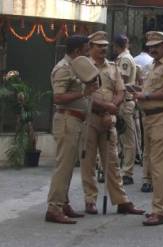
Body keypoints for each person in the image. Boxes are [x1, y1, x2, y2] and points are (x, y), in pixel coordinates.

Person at [80, 31, 145, 216]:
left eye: (105, 46)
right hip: (90, 118)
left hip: (109, 119)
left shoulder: (112, 67)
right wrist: (105, 107)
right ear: (90, 47)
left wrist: (110, 108)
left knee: (113, 161)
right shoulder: (83, 67)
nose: (103, 49)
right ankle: (90, 200)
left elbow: (120, 91)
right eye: (98, 45)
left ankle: (121, 201)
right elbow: (85, 94)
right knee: (88, 161)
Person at [45, 35, 99, 224]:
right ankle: (54, 208)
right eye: (86, 49)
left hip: (76, 121)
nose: (88, 52)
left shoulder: (76, 67)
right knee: (64, 166)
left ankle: (63, 203)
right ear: (77, 51)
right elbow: (58, 97)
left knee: (68, 166)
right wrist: (83, 92)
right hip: (67, 120)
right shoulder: (63, 68)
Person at [134, 31, 163, 226]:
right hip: (152, 118)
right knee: (158, 165)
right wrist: (140, 92)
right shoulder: (155, 65)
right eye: (150, 46)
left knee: (158, 166)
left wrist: (146, 97)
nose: (152, 49)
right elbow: (153, 90)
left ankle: (159, 211)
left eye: (156, 45)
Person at [112, 34, 137, 186]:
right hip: (122, 102)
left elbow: (122, 80)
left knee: (127, 139)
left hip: (125, 102)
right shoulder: (122, 58)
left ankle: (127, 172)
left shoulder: (125, 59)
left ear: (117, 45)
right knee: (121, 139)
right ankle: (122, 170)